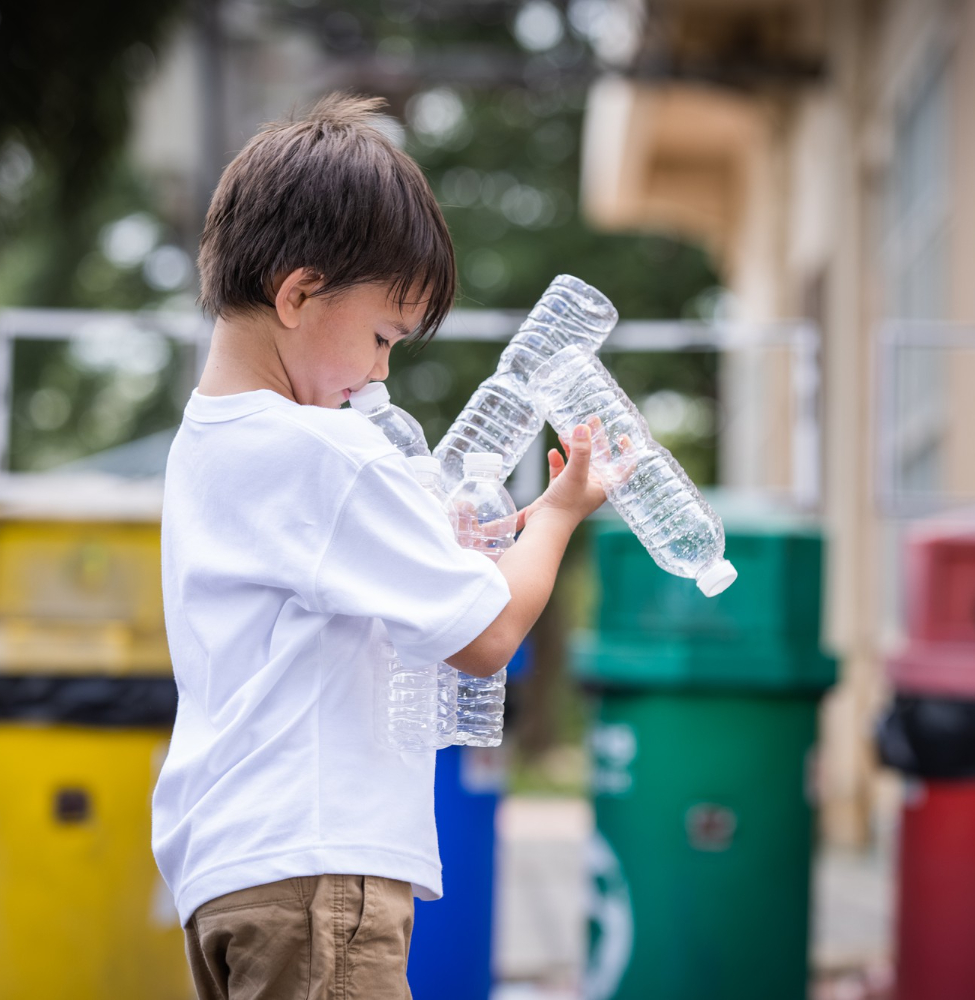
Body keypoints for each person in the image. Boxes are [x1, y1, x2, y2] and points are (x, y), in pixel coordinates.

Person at [151, 93, 608, 1000]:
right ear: (298, 294)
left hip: (233, 870)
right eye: (381, 336)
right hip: (319, 870)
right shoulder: (325, 453)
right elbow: (485, 638)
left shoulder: (209, 443)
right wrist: (559, 512)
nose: (382, 372)